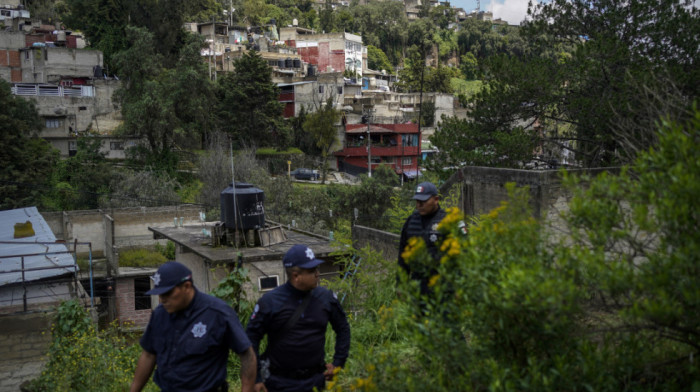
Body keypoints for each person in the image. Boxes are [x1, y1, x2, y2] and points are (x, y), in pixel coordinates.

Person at [130, 261, 256, 392]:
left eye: (168, 294)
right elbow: (149, 355)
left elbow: (247, 355)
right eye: (160, 295)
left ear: (186, 286)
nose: (162, 300)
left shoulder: (217, 314)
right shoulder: (159, 315)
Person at [246, 244, 351, 392]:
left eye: (317, 269)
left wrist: (338, 363)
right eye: (312, 270)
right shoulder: (271, 302)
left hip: (314, 381)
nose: (317, 274)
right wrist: (256, 379)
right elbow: (251, 339)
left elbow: (343, 328)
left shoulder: (326, 298)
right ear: (296, 276)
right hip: (278, 382)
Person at [398, 181, 447, 294]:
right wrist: (401, 283)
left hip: (442, 287)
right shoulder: (411, 222)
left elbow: (461, 256)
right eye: (417, 201)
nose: (419, 205)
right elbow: (402, 257)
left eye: (423, 201)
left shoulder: (447, 221)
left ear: (436, 199)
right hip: (418, 287)